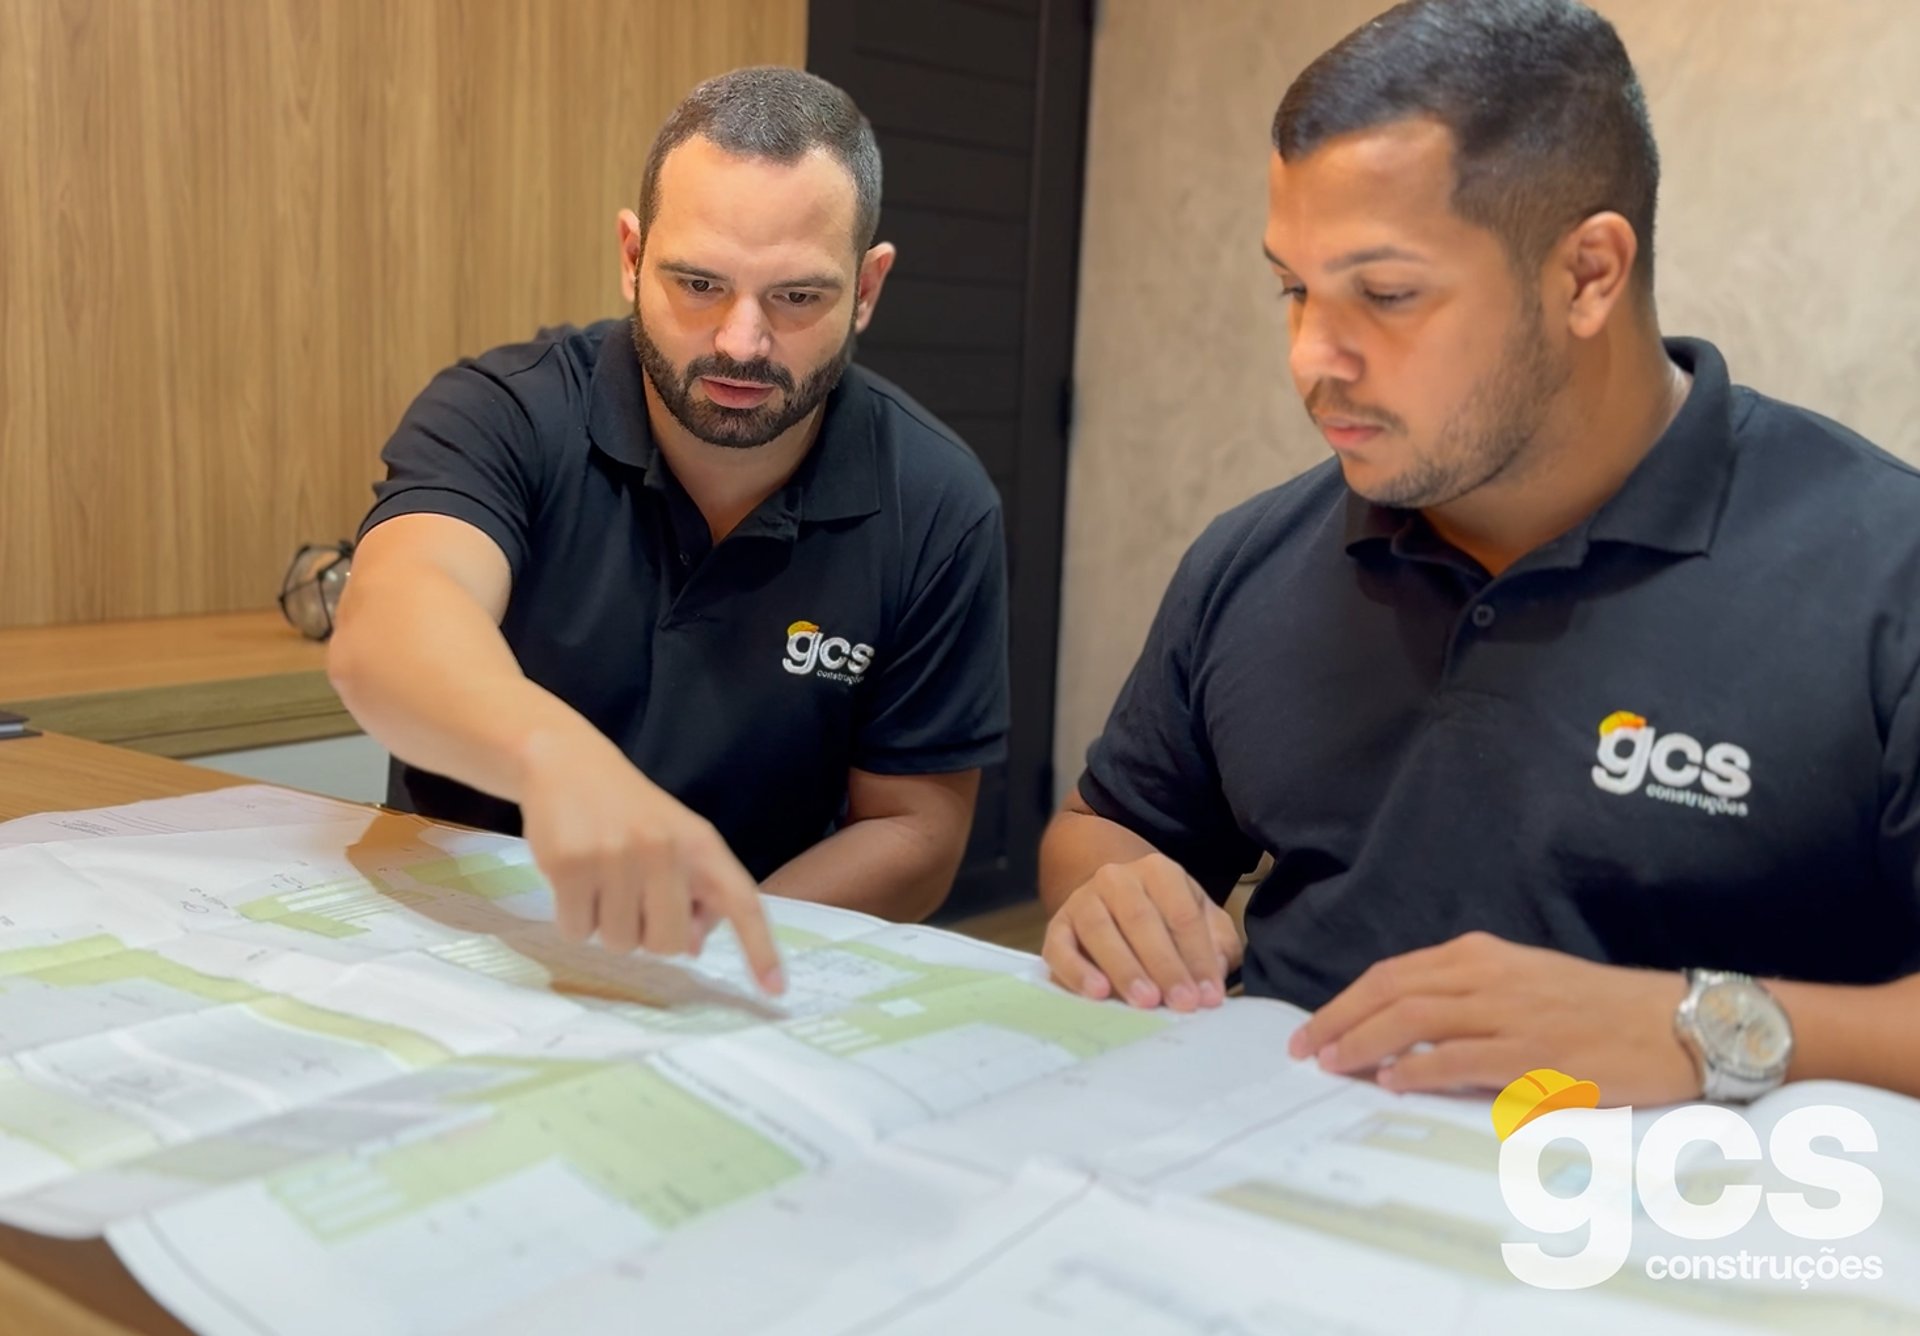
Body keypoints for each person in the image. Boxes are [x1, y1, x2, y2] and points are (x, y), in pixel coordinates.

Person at [1039, 0, 1920, 1104]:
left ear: (1589, 274)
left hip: (1670, 1236)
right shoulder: (1254, 554)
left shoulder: (1883, 571)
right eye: (1293, 288)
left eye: (1387, 294)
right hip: (1262, 1188)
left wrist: (1701, 1023)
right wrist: (1120, 892)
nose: (1313, 356)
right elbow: (1109, 826)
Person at [329, 68, 1009, 993]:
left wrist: (713, 943)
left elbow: (916, 830)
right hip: (468, 950)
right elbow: (389, 632)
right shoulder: (502, 412)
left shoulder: (937, 500)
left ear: (868, 287)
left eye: (797, 298)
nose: (740, 342)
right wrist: (558, 760)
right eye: (698, 283)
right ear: (630, 255)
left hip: (749, 960)